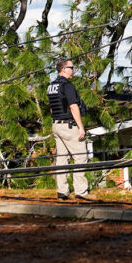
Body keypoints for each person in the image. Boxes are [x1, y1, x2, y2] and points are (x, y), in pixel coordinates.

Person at [47, 57, 90, 199]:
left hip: (56, 125)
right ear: (63, 69)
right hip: (68, 125)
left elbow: (52, 109)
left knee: (62, 159)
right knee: (80, 157)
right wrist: (81, 127)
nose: (73, 70)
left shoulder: (51, 85)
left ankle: (62, 191)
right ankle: (81, 192)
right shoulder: (67, 86)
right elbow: (73, 106)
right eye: (71, 67)